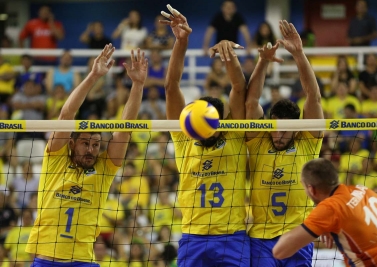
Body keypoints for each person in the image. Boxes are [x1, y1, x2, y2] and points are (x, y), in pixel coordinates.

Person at [25, 44, 148, 265]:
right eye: (85, 143)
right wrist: (93, 76)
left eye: (95, 144)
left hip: (83, 261)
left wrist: (137, 85)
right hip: (46, 260)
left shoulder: (104, 168)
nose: (91, 149)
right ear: (71, 143)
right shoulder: (56, 159)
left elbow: (124, 130)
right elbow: (67, 114)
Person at [160, 5, 250, 266]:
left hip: (232, 236)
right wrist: (182, 41)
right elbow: (171, 86)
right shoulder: (184, 137)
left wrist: (228, 54)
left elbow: (238, 88)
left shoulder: (233, 134)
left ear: (223, 122)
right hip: (193, 237)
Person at [245, 20, 324, 266]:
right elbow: (251, 102)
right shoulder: (259, 140)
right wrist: (263, 61)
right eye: (275, 128)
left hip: (297, 236)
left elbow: (314, 96)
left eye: (285, 131)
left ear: (297, 129)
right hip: (261, 238)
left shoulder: (307, 141)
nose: (278, 135)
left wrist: (299, 54)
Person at [272, 158, 377, 266]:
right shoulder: (363, 189)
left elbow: (279, 251)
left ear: (311, 189)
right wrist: (328, 225)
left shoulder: (330, 209)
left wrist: (319, 222)